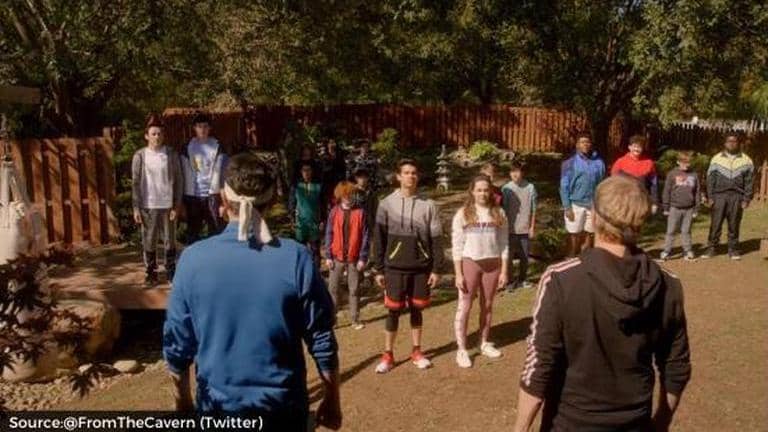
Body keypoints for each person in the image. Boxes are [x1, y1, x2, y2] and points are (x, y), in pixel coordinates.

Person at [163, 153, 341, 430]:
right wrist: (332, 399)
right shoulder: (295, 258)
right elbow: (321, 338)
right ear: (272, 201)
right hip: (283, 410)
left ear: (223, 199)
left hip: (218, 410)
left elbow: (177, 345)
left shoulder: (192, 260)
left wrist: (184, 403)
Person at [513, 175, 691, 432]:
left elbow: (539, 365)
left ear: (595, 216)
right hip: (635, 424)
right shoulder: (668, 284)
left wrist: (520, 428)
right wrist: (661, 423)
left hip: (570, 424)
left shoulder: (561, 280)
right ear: (641, 221)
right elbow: (676, 366)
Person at [373, 158, 443, 373]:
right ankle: (388, 355)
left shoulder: (429, 205)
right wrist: (378, 269)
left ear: (417, 176)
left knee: (416, 310)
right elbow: (379, 238)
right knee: (393, 312)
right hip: (394, 268)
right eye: (406, 172)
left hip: (420, 268)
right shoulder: (385, 204)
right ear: (398, 176)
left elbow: (436, 239)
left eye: (414, 172)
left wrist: (437, 268)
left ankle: (416, 351)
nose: (410, 176)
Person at [451, 175, 508, 368]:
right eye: (479, 190)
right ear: (472, 191)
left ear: (491, 191)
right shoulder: (463, 214)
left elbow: (504, 243)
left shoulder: (499, 212)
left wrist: (504, 271)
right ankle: (461, 349)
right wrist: (458, 273)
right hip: (470, 263)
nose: (483, 193)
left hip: (493, 265)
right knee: (465, 306)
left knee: (488, 305)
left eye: (486, 190)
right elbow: (457, 245)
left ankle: (483, 342)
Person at [131, 114, 183, 286]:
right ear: (147, 136)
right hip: (148, 205)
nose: (157, 137)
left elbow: (179, 180)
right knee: (149, 239)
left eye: (159, 133)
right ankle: (151, 273)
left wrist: (177, 205)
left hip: (167, 204)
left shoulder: (170, 154)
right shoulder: (140, 156)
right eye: (153, 134)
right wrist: (136, 208)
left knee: (170, 239)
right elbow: (135, 183)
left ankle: (171, 271)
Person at [324, 181, 370, 330]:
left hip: (354, 258)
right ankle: (332, 320)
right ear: (340, 196)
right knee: (333, 289)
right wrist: (328, 256)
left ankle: (355, 319)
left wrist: (363, 258)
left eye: (350, 194)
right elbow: (329, 234)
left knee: (354, 289)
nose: (348, 197)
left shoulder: (360, 212)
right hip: (336, 257)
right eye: (345, 195)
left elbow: (365, 237)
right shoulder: (334, 212)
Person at [702, 133, 754, 260]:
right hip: (719, 195)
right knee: (716, 223)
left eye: (734, 141)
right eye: (728, 141)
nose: (731, 143)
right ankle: (712, 248)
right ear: (725, 143)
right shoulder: (716, 159)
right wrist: (710, 196)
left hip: (737, 196)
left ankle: (733, 249)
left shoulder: (746, 160)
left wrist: (747, 198)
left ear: (738, 143)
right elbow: (710, 179)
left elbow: (749, 181)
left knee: (734, 224)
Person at [181, 113, 227, 244]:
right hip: (193, 196)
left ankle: (216, 254)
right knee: (193, 231)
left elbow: (223, 173)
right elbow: (183, 173)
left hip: (212, 195)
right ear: (194, 128)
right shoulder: (187, 147)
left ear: (210, 128)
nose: (202, 129)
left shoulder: (218, 146)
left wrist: (223, 200)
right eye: (199, 126)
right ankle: (193, 254)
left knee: (216, 230)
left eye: (205, 126)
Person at [559, 133, 606, 257]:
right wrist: (567, 207)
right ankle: (571, 258)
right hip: (575, 205)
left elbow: (602, 184)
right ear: (577, 145)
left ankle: (585, 259)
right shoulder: (569, 163)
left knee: (589, 233)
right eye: (582, 142)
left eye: (587, 142)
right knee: (574, 233)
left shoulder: (599, 163)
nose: (585, 144)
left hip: (593, 205)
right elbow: (564, 186)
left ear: (591, 145)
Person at [501, 162, 537, 291]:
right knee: (509, 257)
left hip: (524, 228)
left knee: (524, 256)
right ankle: (510, 281)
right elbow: (503, 210)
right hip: (509, 229)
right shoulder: (506, 189)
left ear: (522, 172)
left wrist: (532, 227)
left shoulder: (530, 187)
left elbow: (534, 209)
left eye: (518, 171)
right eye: (512, 172)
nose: (515, 174)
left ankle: (522, 279)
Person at [661, 151, 701, 261]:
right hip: (674, 208)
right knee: (671, 231)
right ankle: (666, 251)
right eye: (684, 162)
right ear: (678, 162)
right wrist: (666, 207)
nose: (686, 165)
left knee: (686, 231)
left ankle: (687, 250)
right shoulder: (672, 174)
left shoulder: (694, 174)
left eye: (688, 162)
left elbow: (697, 192)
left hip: (689, 208)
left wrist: (696, 208)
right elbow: (666, 191)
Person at [611, 135, 659, 213]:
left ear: (642, 148)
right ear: (629, 147)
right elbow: (612, 183)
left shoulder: (649, 163)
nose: (636, 149)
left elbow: (654, 184)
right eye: (634, 146)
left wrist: (654, 202)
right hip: (623, 201)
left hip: (641, 201)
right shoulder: (620, 162)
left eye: (639, 147)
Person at [289, 162, 324, 264]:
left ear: (312, 171)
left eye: (308, 170)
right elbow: (291, 202)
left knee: (315, 250)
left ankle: (316, 270)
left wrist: (323, 220)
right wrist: (292, 218)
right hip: (300, 222)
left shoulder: (318, 185)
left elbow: (323, 204)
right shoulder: (296, 185)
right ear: (301, 172)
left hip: (314, 221)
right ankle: (302, 269)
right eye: (304, 170)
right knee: (301, 249)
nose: (306, 173)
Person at [350, 167, 378, 235]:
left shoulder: (371, 193)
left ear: (367, 178)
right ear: (356, 178)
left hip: (368, 224)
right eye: (360, 177)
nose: (362, 179)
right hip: (354, 223)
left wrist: (374, 226)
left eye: (364, 177)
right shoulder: (351, 191)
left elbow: (375, 210)